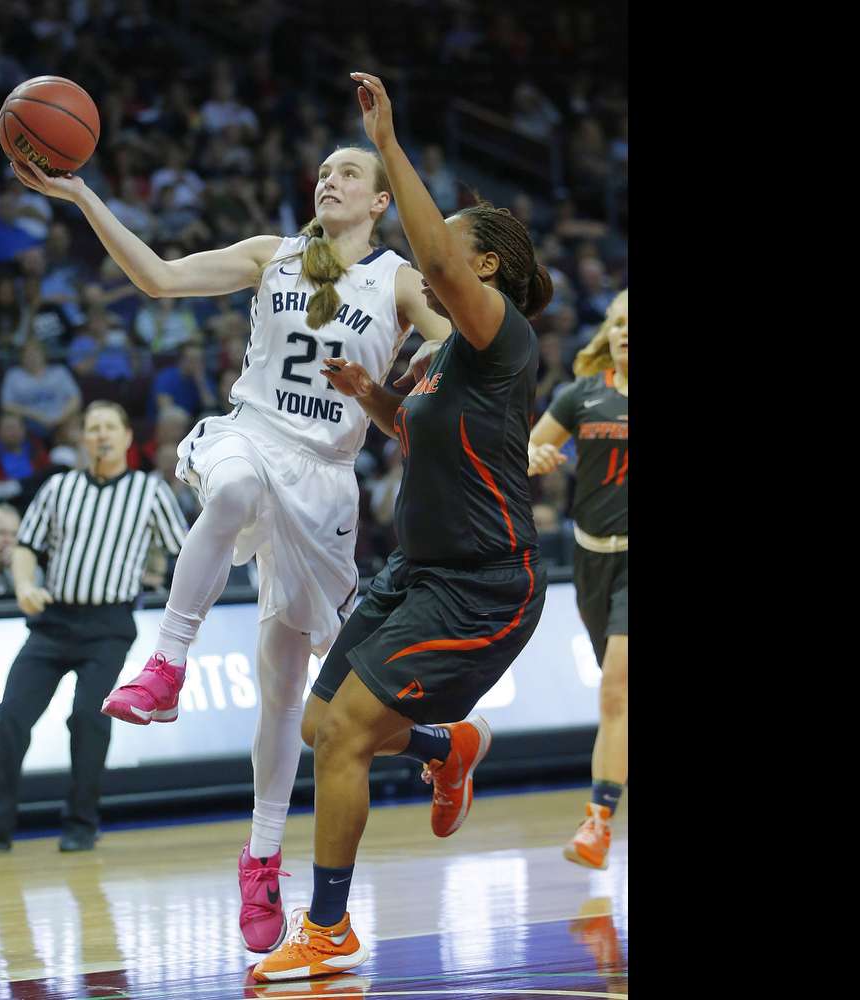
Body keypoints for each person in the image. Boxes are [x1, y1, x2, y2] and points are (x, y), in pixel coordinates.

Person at [10, 126, 452, 953]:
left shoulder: (395, 277)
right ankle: (167, 664)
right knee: (235, 484)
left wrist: (422, 363)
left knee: (297, 693)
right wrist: (82, 196)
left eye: (348, 172)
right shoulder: (270, 255)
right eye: (323, 170)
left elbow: (453, 334)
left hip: (325, 481)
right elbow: (158, 278)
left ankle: (295, 833)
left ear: (380, 201)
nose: (329, 179)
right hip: (250, 434)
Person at [253, 71, 554, 982]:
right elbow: (414, 432)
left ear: (483, 268)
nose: (428, 265)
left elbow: (440, 261)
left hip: (484, 585)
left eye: (448, 249)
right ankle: (449, 745)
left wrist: (387, 144)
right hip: (415, 573)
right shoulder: (439, 352)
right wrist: (374, 397)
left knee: (348, 734)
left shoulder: (501, 335)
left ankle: (329, 929)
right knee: (321, 727)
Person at [0, 400, 188, 853]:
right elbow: (27, 546)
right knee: (11, 714)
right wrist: (25, 585)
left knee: (87, 719)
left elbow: (185, 549)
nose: (101, 435)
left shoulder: (150, 491)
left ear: (127, 437)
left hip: (109, 624)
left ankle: (82, 822)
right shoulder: (59, 487)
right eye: (93, 428)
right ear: (83, 439)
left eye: (110, 427)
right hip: (54, 621)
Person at [527, 289, 628, 871]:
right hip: (592, 560)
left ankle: (597, 824)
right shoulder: (582, 395)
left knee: (615, 689)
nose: (623, 332)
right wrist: (536, 457)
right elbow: (530, 449)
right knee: (618, 694)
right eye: (617, 322)